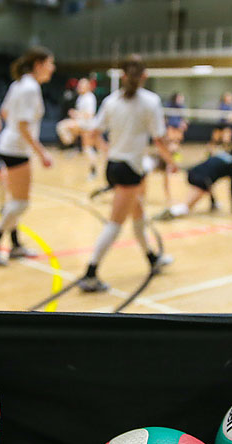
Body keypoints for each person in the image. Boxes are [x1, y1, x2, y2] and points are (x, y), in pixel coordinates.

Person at [77, 54, 176, 293]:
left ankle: (152, 258)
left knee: (139, 214)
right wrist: (171, 162)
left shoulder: (111, 101)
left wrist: (108, 149)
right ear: (145, 76)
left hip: (115, 166)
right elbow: (159, 139)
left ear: (123, 76)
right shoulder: (150, 101)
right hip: (129, 169)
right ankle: (90, 273)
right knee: (115, 224)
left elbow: (93, 134)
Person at [0, 47, 56, 266]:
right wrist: (42, 153)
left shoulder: (18, 84)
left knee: (15, 201)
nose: (53, 69)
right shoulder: (30, 88)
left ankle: (15, 245)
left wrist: (15, 127)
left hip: (8, 144)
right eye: (50, 64)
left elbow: (4, 113)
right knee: (21, 203)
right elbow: (23, 125)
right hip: (16, 149)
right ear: (39, 64)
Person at [156, 143, 232, 220]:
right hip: (202, 180)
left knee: (208, 184)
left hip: (192, 173)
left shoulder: (221, 154)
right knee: (187, 206)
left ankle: (214, 204)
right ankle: (170, 213)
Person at [55, 78, 100, 178]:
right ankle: (73, 147)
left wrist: (75, 113)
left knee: (61, 126)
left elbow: (89, 115)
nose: (78, 87)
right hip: (81, 124)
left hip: (87, 125)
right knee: (87, 149)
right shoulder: (81, 97)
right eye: (79, 85)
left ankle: (70, 144)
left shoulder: (89, 98)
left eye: (81, 85)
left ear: (87, 87)